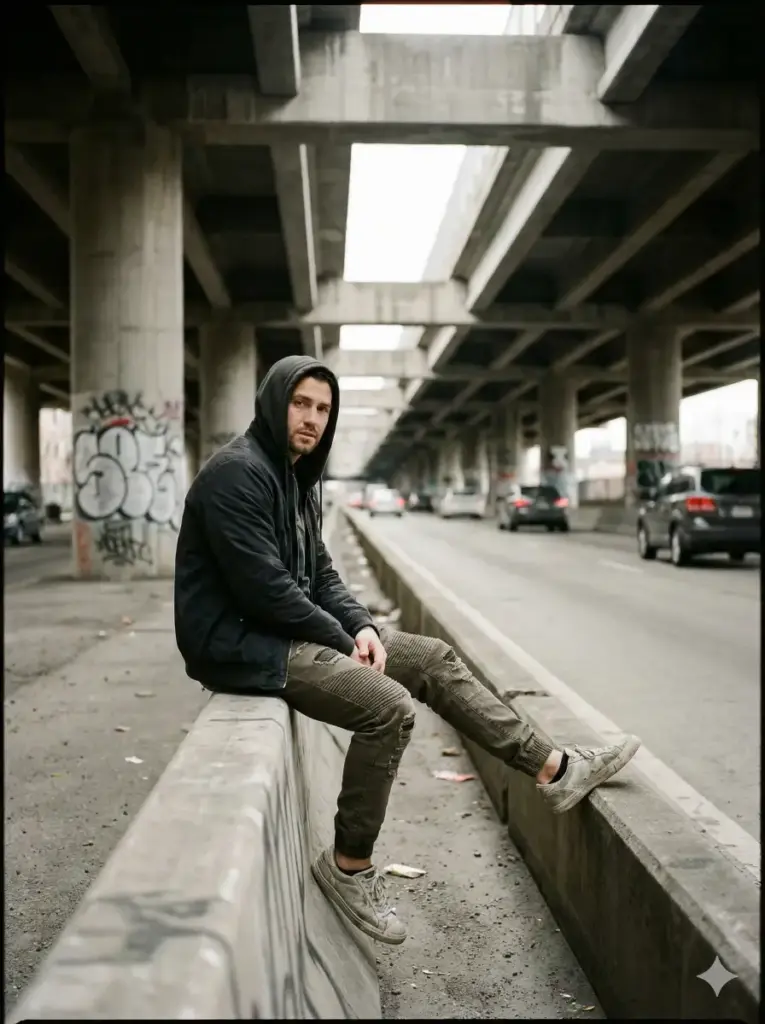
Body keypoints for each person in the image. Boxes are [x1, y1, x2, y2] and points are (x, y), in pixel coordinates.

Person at [174, 355, 641, 946]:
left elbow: (319, 573)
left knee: (431, 657)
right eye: (301, 404)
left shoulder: (295, 478)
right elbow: (264, 590)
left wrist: (362, 627)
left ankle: (556, 769)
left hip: (281, 630)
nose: (312, 418)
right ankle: (349, 867)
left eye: (323, 408)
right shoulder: (237, 475)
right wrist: (344, 641)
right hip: (240, 644)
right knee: (388, 708)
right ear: (273, 402)